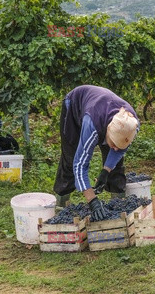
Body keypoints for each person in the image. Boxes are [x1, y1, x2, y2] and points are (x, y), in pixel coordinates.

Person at [53, 85, 139, 220]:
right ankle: (61, 207)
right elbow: (79, 165)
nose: (116, 149)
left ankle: (120, 207)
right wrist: (92, 201)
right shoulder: (92, 126)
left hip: (103, 110)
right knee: (70, 159)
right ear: (107, 133)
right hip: (75, 107)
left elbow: (120, 149)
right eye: (114, 144)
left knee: (116, 165)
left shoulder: (132, 124)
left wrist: (106, 171)